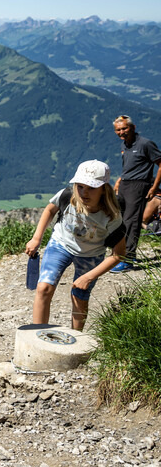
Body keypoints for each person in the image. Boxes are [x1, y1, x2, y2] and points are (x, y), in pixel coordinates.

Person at [24, 160, 126, 330]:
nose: (84, 193)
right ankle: (38, 337)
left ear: (103, 189)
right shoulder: (68, 195)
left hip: (91, 255)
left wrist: (89, 276)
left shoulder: (111, 216)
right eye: (80, 186)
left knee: (80, 296)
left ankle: (75, 341)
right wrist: (36, 238)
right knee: (43, 288)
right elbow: (50, 209)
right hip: (61, 244)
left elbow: (119, 254)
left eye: (91, 188)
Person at [112, 115, 161, 271]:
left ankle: (127, 260)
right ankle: (118, 254)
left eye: (124, 128)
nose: (122, 132)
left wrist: (154, 188)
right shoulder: (125, 145)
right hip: (125, 185)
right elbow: (129, 166)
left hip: (139, 186)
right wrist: (119, 180)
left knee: (132, 222)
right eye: (118, 130)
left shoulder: (145, 144)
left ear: (132, 128)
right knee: (120, 219)